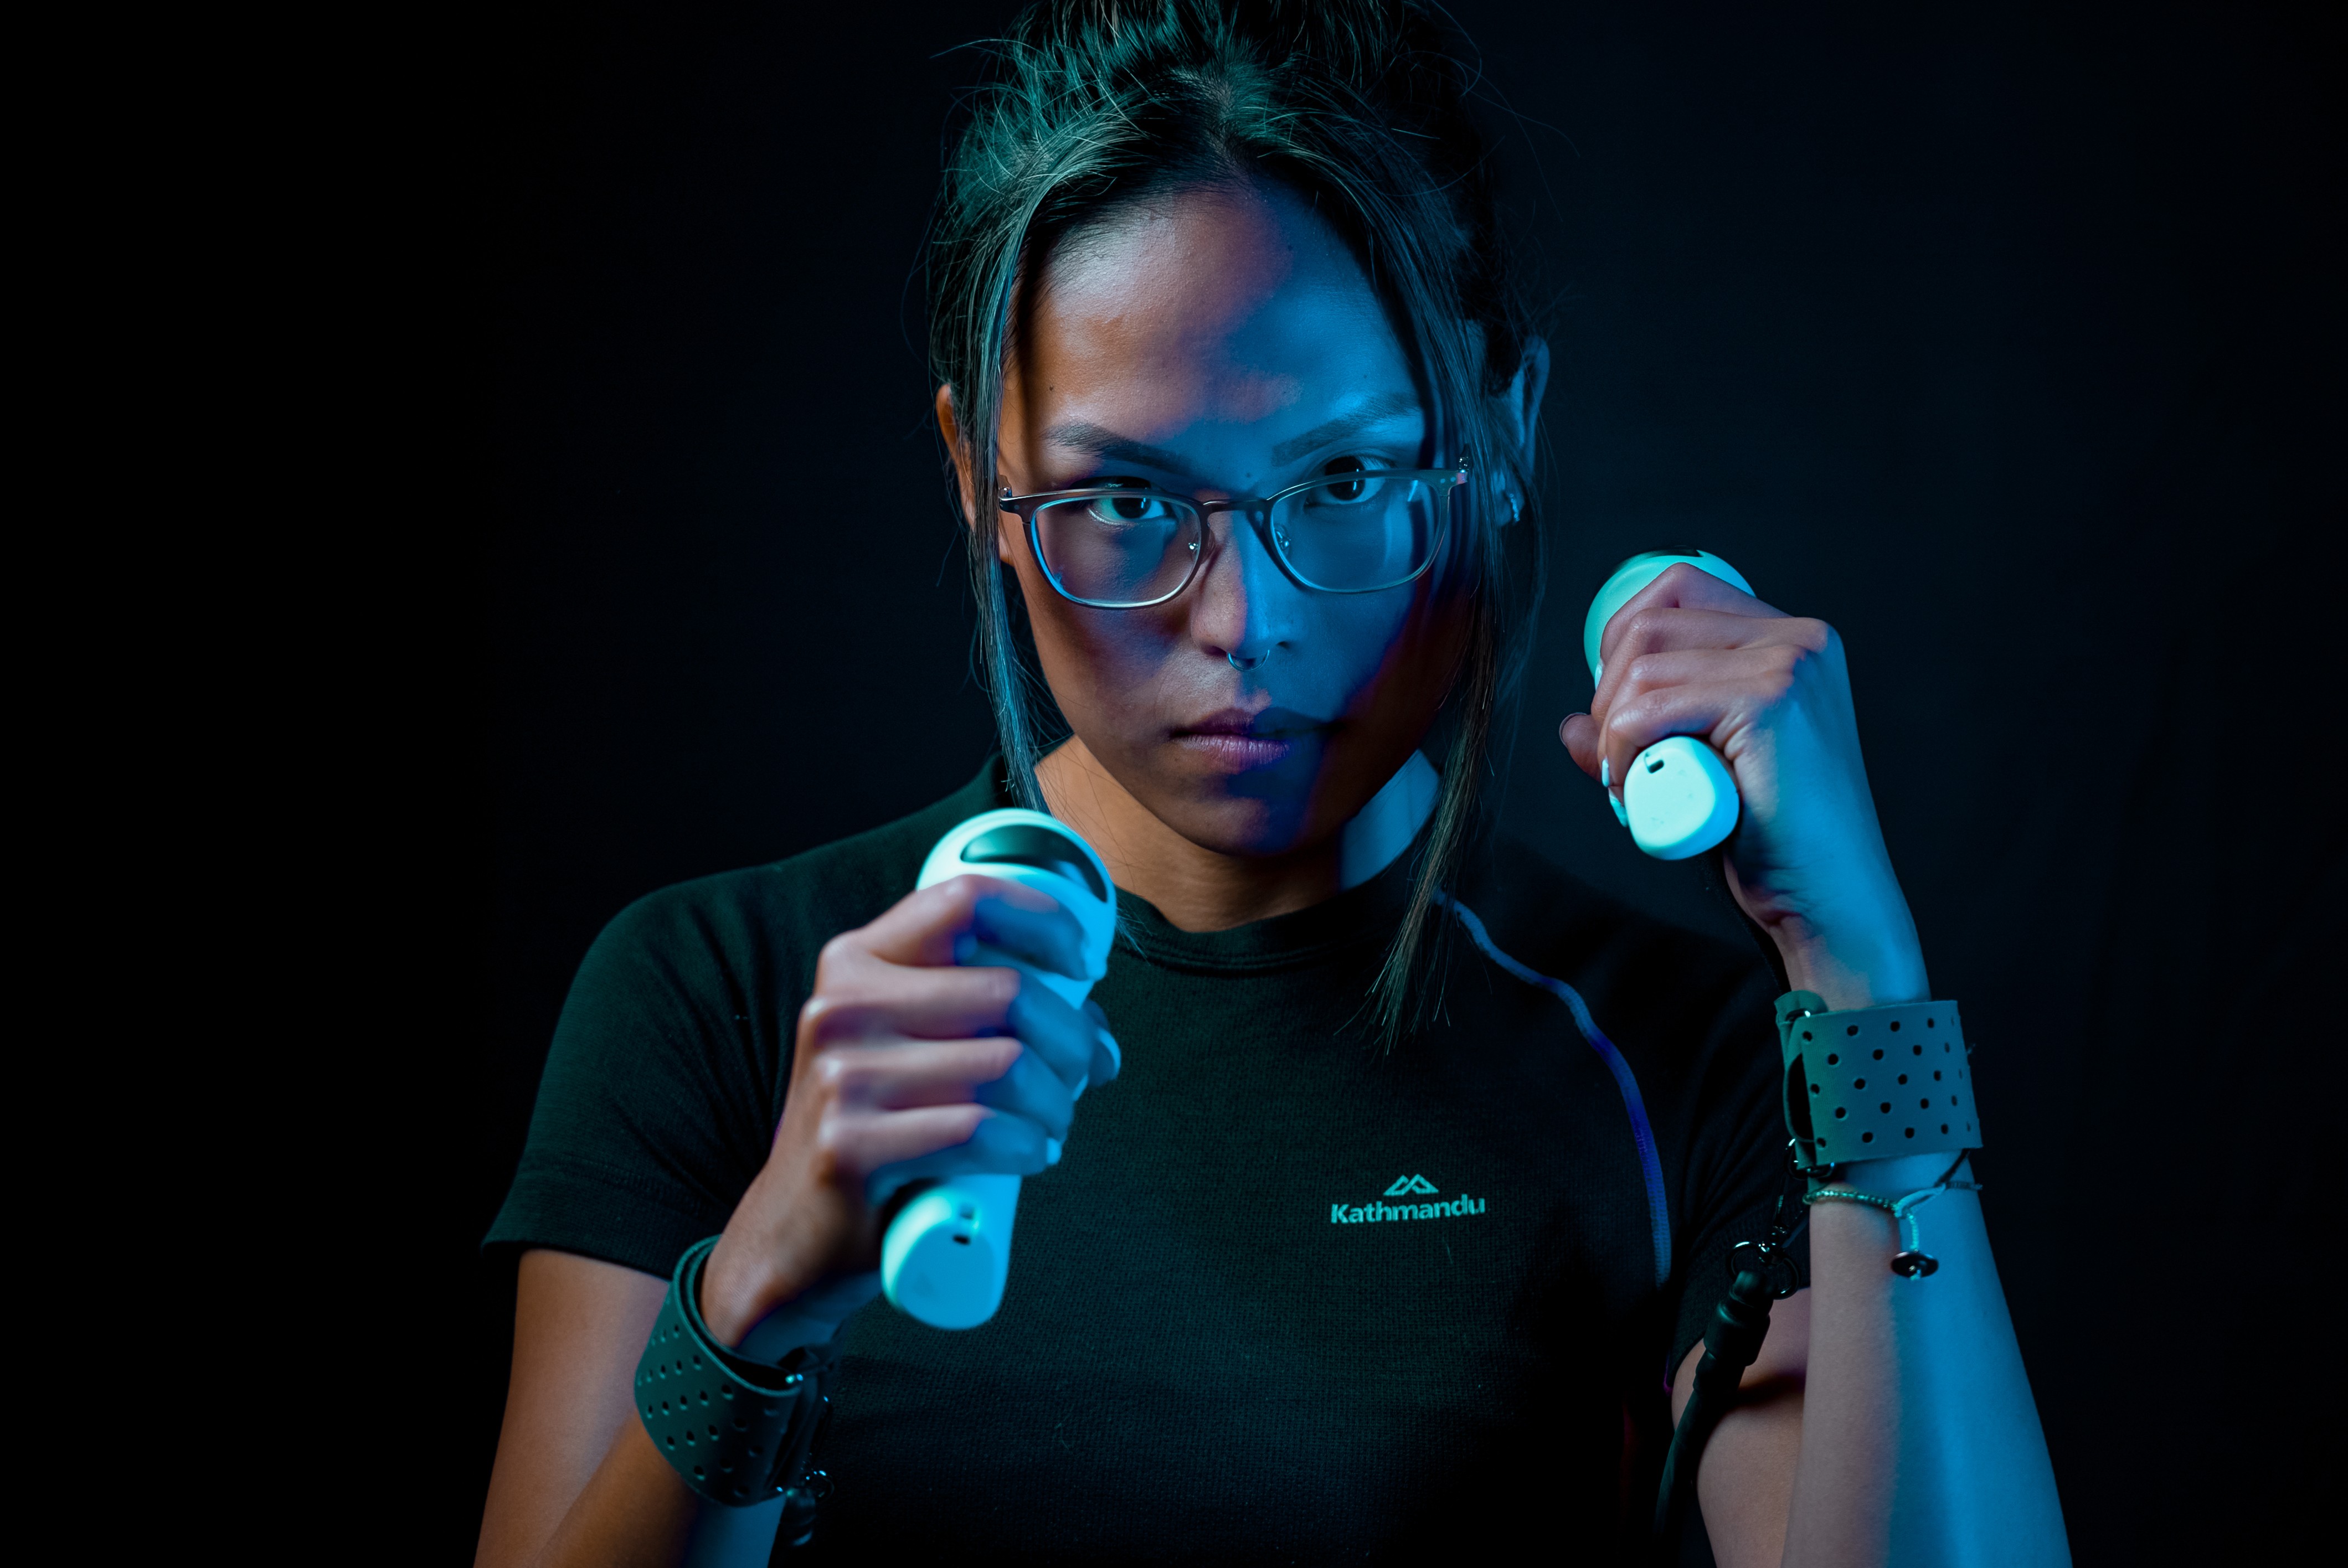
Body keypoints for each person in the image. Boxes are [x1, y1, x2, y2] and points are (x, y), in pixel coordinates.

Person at [475, 3, 2069, 1564]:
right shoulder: (723, 997)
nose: (1243, 623)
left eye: (1346, 478)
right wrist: (753, 1300)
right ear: (976, 474)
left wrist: (1864, 986)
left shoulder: (1691, 1065)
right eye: (1122, 499)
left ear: (1503, 430)